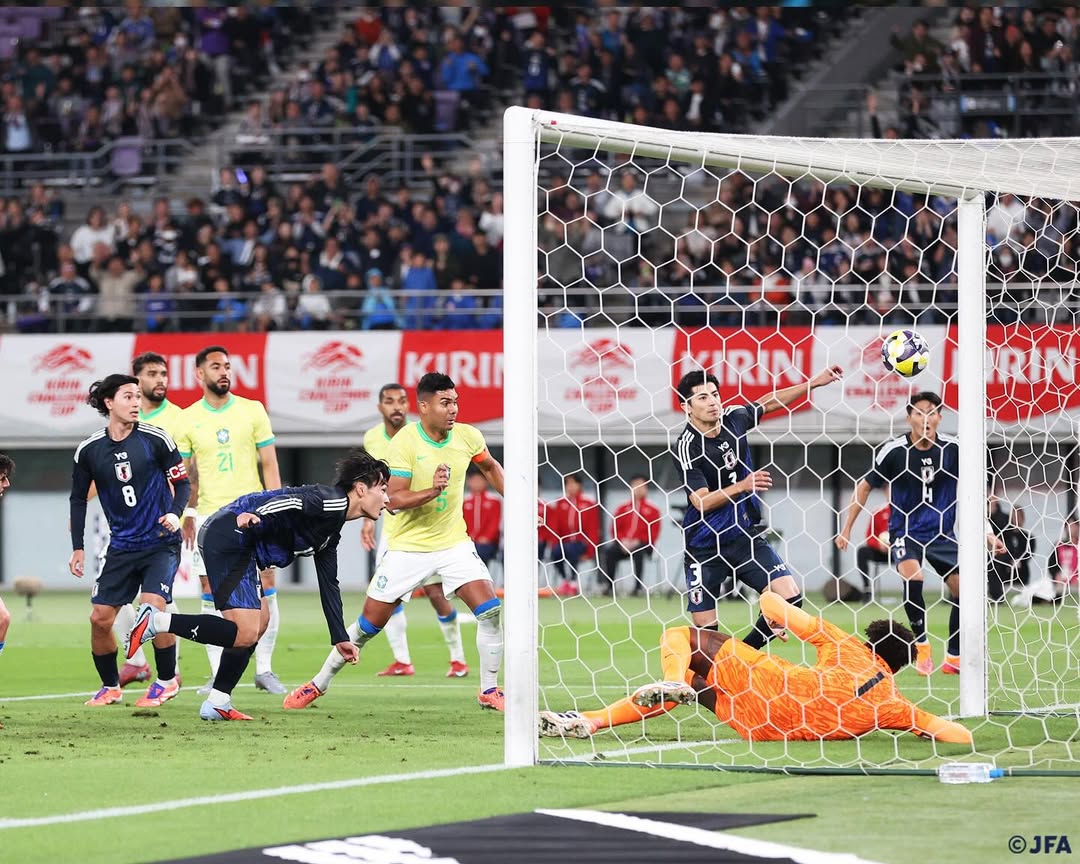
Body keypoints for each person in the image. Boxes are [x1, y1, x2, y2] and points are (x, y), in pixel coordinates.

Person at [284, 372, 507, 711]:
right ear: (425, 407)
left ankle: (489, 690)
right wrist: (432, 490)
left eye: (455, 402)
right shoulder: (405, 443)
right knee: (368, 626)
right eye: (445, 403)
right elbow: (395, 499)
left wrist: (520, 501)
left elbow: (490, 467)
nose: (453, 409)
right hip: (407, 549)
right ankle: (319, 683)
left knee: (490, 611)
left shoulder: (468, 436)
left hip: (453, 544)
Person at [128, 449, 388, 721]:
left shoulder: (330, 531)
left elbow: (329, 584)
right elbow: (289, 499)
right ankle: (156, 622)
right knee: (245, 632)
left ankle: (218, 701)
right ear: (360, 489)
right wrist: (254, 513)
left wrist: (339, 637)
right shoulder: (330, 501)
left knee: (260, 622)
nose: (387, 499)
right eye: (382, 489)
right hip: (229, 533)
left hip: (241, 543)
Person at [540, 594, 972, 745]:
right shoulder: (893, 704)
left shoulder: (848, 647)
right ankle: (592, 721)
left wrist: (780, 617)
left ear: (867, 643)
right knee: (695, 684)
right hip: (760, 728)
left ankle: (670, 681)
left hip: (768, 685)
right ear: (897, 666)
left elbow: (770, 601)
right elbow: (958, 734)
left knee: (682, 639)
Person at [836, 392, 1004, 676]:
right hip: (905, 533)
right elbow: (865, 487)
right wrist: (847, 528)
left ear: (940, 417)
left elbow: (975, 492)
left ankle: (953, 657)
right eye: (919, 412)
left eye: (931, 412)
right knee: (915, 576)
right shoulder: (893, 451)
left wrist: (986, 532)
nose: (925, 418)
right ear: (909, 417)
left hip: (942, 534)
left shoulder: (954, 449)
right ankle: (922, 645)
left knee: (966, 591)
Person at [673, 367, 842, 646]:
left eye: (715, 395)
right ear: (686, 406)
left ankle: (745, 655)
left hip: (742, 534)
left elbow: (769, 401)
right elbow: (700, 501)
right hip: (704, 544)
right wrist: (742, 485)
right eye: (702, 398)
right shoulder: (687, 445)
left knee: (789, 597)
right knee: (706, 637)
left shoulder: (734, 419)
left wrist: (813, 383)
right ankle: (711, 680)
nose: (713, 402)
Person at [69, 375, 191, 708]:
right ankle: (110, 687)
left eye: (138, 396)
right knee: (99, 619)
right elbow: (78, 499)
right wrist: (78, 547)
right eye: (128, 396)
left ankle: (166, 682)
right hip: (121, 547)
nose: (136, 402)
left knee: (153, 611)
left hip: (160, 542)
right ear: (109, 403)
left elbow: (182, 485)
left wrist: (175, 513)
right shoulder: (90, 450)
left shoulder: (156, 439)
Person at [175, 345, 285, 695]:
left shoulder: (252, 410)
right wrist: (188, 512)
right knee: (210, 592)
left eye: (227, 366)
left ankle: (264, 670)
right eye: (216, 366)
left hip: (253, 513)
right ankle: (216, 673)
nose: (224, 372)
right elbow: (186, 474)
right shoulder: (187, 418)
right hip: (209, 517)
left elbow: (269, 463)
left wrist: (277, 508)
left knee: (265, 587)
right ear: (199, 375)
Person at [360, 382, 468, 679]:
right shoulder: (372, 438)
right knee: (388, 597)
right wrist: (369, 520)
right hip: (393, 531)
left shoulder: (419, 435)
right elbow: (374, 486)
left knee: (435, 592)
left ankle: (458, 659)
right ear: (380, 407)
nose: (396, 406)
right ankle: (402, 660)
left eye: (401, 401)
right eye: (389, 401)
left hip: (429, 528)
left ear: (411, 406)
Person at [114, 351, 189, 690]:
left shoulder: (177, 419)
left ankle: (162, 670)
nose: (161, 380)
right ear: (136, 379)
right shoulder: (121, 418)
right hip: (123, 524)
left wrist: (183, 513)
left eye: (164, 373)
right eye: (153, 373)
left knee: (158, 600)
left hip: (161, 525)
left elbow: (187, 473)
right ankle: (142, 664)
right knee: (114, 597)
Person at [600, 474, 661, 597]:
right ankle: (609, 587)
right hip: (623, 544)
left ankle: (637, 588)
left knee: (639, 552)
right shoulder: (623, 508)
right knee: (609, 552)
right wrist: (622, 541)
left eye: (641, 485)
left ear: (646, 488)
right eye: (635, 485)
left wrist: (637, 541)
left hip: (644, 545)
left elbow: (654, 532)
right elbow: (614, 529)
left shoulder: (653, 510)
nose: (638, 488)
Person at [547, 473, 599, 597]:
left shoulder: (588, 503)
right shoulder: (560, 503)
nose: (570, 487)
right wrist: (554, 544)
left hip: (582, 543)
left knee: (570, 549)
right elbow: (554, 527)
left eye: (573, 483)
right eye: (567, 484)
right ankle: (567, 580)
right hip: (564, 543)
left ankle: (574, 581)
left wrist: (591, 551)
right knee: (556, 552)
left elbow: (593, 528)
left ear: (579, 485)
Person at [990, 505, 1033, 602]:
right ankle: (997, 596)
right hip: (1005, 570)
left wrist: (1018, 560)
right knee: (995, 564)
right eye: (1014, 516)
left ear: (1023, 518)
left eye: (1019, 516)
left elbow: (1029, 554)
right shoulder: (1005, 535)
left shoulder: (1028, 537)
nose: (1016, 519)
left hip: (1021, 572)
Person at [464, 468, 502, 566]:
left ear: (486, 481)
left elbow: (494, 523)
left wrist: (486, 537)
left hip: (488, 543)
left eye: (479, 480)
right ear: (469, 482)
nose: (476, 483)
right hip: (468, 541)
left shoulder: (494, 501)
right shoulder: (464, 502)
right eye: (474, 480)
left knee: (480, 551)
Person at [855, 503, 891, 601]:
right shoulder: (878, 512)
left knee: (917, 552)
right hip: (880, 551)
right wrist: (879, 545)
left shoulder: (906, 511)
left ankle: (911, 590)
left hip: (900, 550)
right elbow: (869, 536)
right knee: (862, 552)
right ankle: (867, 589)